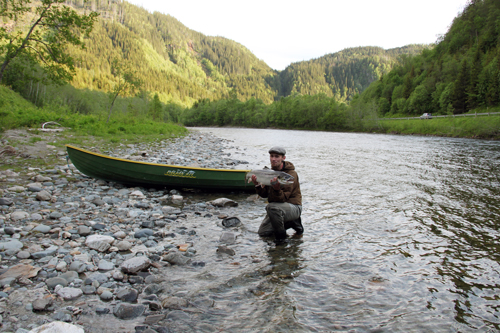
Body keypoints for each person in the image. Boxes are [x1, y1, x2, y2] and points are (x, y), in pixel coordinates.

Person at [251, 146, 303, 242]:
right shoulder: (270, 173)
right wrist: (257, 185)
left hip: (294, 207)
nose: (273, 159)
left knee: (271, 207)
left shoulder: (291, 175)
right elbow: (264, 195)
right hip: (277, 208)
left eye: (277, 156)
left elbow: (283, 198)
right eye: (271, 156)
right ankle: (290, 223)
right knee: (263, 233)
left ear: (283, 158)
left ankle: (281, 238)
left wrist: (276, 189)